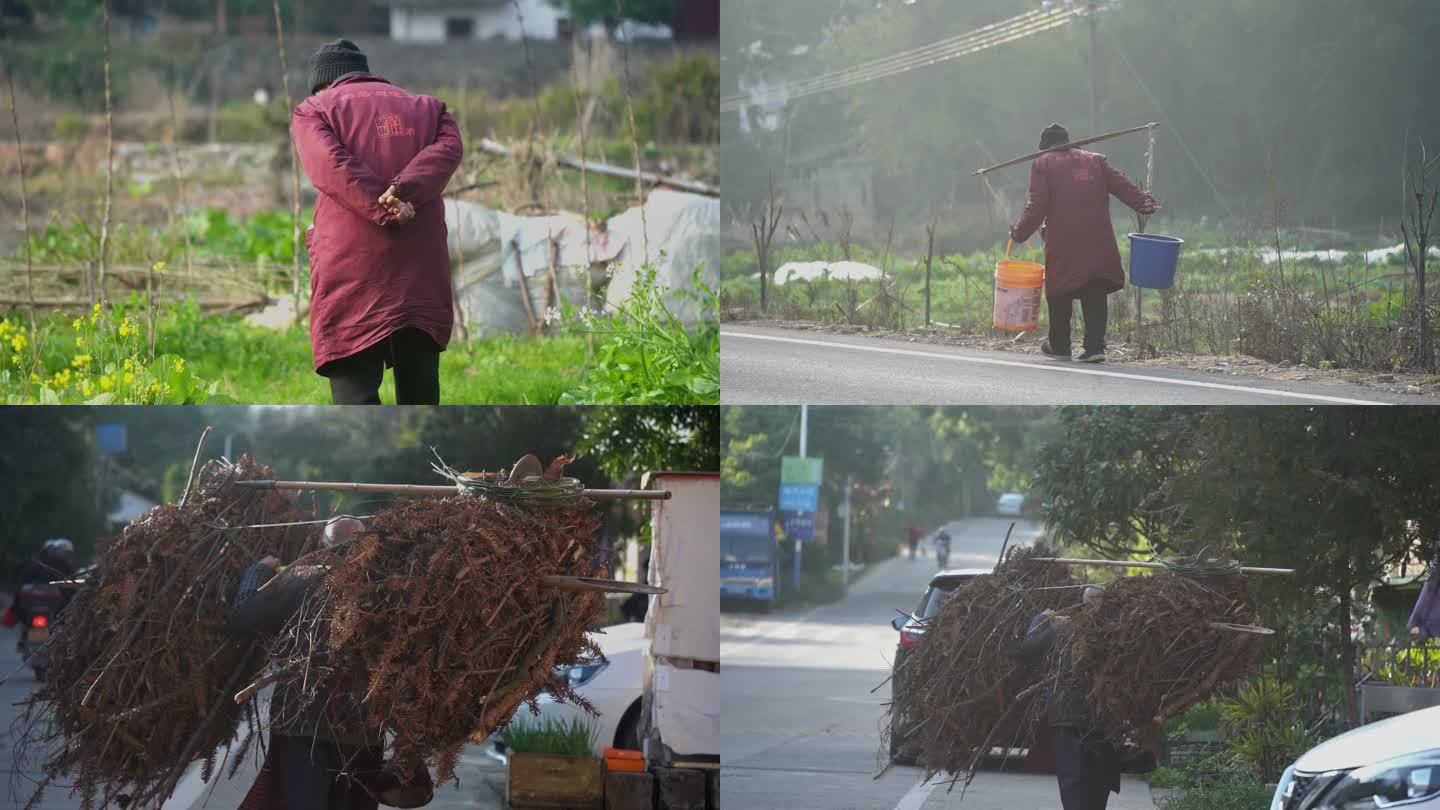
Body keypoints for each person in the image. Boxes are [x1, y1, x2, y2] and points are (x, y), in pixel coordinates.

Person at [291, 39, 464, 405]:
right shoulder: (431, 110)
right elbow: (448, 150)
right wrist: (404, 193)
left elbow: (331, 165)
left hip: (351, 272)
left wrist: (383, 203)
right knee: (420, 397)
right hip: (419, 270)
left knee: (355, 397)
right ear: (362, 72)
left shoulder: (314, 110)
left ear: (324, 83)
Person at [228, 518, 431, 810]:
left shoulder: (300, 580)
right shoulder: (393, 592)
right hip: (361, 727)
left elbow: (242, 617)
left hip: (302, 723)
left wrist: (257, 572)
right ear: (370, 546)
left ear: (322, 548)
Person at [1009, 124, 1160, 364]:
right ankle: (1095, 347)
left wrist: (1018, 233)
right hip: (1098, 237)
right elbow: (1122, 186)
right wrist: (1143, 203)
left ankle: (1060, 345)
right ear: (1068, 141)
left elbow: (1037, 206)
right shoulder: (1096, 161)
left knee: (1059, 290)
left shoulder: (1043, 163)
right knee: (1095, 287)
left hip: (1063, 239)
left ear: (1045, 147)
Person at [1020, 585, 1121, 810]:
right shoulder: (1118, 631)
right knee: (1097, 781)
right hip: (1101, 720)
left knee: (1075, 781)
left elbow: (1028, 649)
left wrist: (1040, 619)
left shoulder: (1062, 629)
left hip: (1071, 718)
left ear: (1083, 603)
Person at [13, 539, 76, 651]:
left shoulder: (36, 564)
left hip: (43, 610)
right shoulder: (64, 566)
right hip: (53, 610)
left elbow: (22, 583)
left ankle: (24, 639)